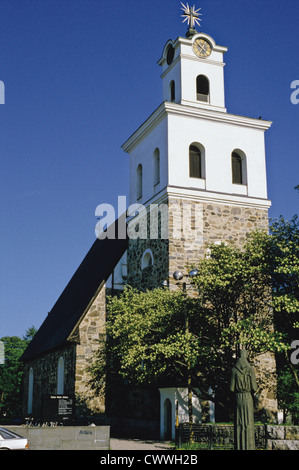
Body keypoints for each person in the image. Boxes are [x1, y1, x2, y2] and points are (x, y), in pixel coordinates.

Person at [230, 350, 258, 450]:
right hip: (247, 397)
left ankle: (239, 447)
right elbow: (254, 388)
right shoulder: (250, 369)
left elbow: (231, 388)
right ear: (246, 356)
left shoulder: (234, 370)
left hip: (238, 398)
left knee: (239, 422)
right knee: (248, 423)